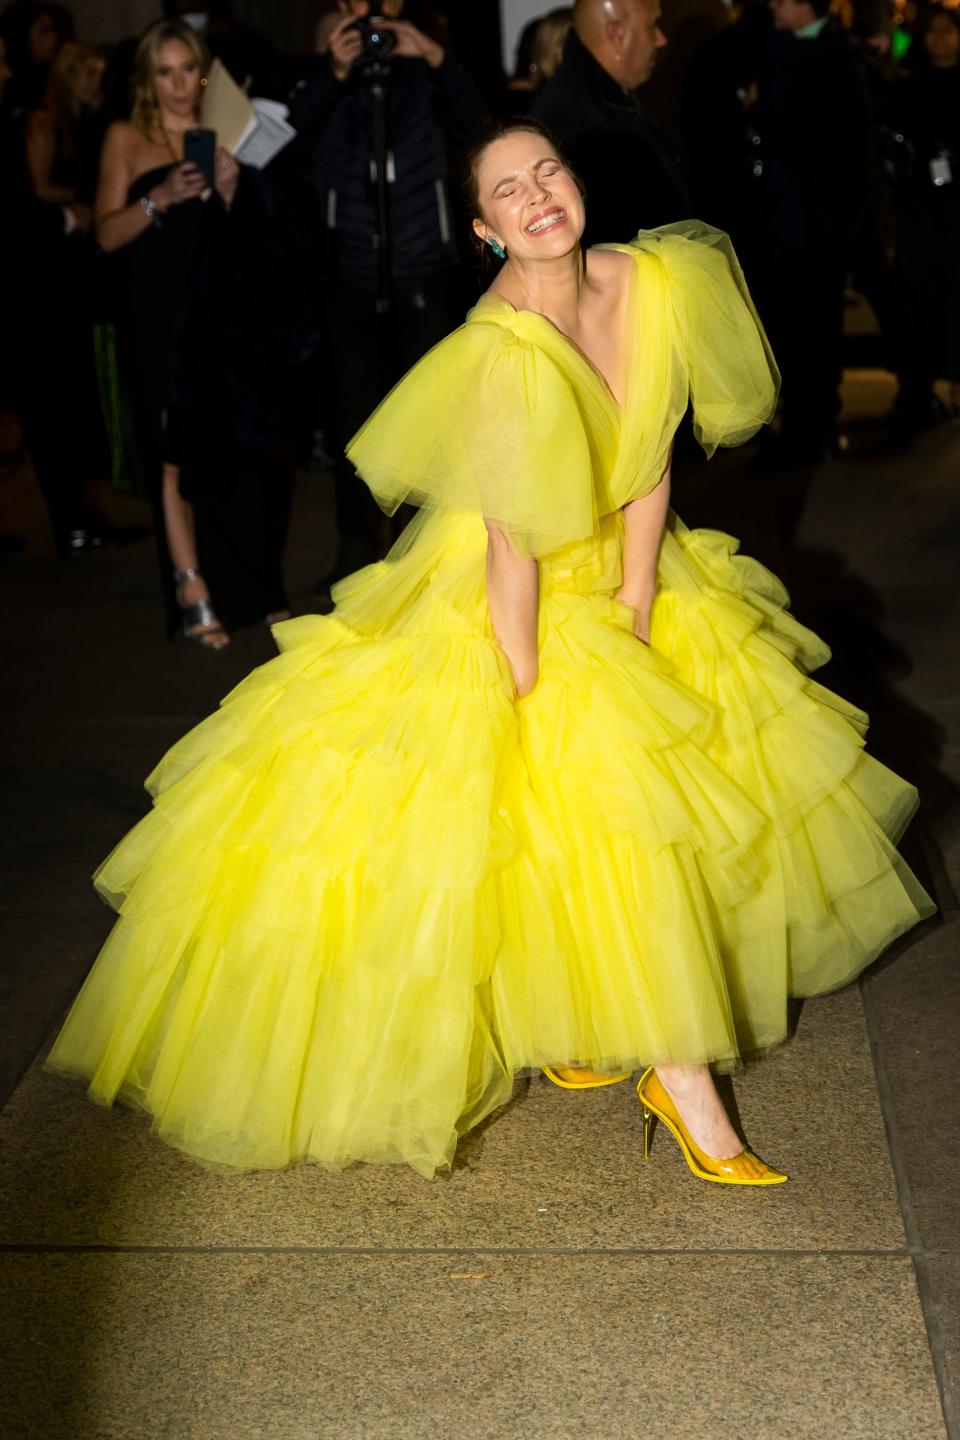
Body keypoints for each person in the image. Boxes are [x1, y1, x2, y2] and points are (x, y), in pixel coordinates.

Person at [46, 117, 933, 1184]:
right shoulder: (497, 344)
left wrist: (643, 594)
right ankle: (681, 1078)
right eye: (510, 190)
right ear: (483, 228)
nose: (540, 195)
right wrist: (524, 687)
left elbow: (649, 455)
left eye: (549, 171)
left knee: (671, 792)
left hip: (625, 558)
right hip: (507, 587)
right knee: (588, 789)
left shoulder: (652, 282)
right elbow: (512, 548)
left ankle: (579, 1030)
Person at [95, 19, 294, 646]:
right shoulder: (126, 137)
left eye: (189, 70)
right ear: (147, 78)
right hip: (155, 315)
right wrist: (160, 197)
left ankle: (256, 586)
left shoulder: (226, 135)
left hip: (222, 316)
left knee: (242, 453)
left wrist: (235, 191)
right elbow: (105, 236)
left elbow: (261, 243)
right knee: (175, 454)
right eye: (166, 71)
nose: (180, 84)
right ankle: (191, 586)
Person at [288, 0, 487, 588]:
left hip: (422, 263)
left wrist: (433, 57)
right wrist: (332, 74)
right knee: (353, 415)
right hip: (348, 268)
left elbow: (480, 130)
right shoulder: (330, 69)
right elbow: (286, 142)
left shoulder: (427, 67)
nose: (375, 16)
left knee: (428, 415)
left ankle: (424, 549)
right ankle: (356, 543)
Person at [532, 0, 690, 244]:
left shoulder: (607, 96)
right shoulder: (577, 116)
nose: (661, 39)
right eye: (652, 26)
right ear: (617, 33)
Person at [887, 5, 960, 414]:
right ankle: (926, 378)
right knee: (926, 289)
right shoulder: (909, 87)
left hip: (954, 204)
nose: (941, 39)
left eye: (948, 30)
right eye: (932, 32)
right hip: (922, 207)